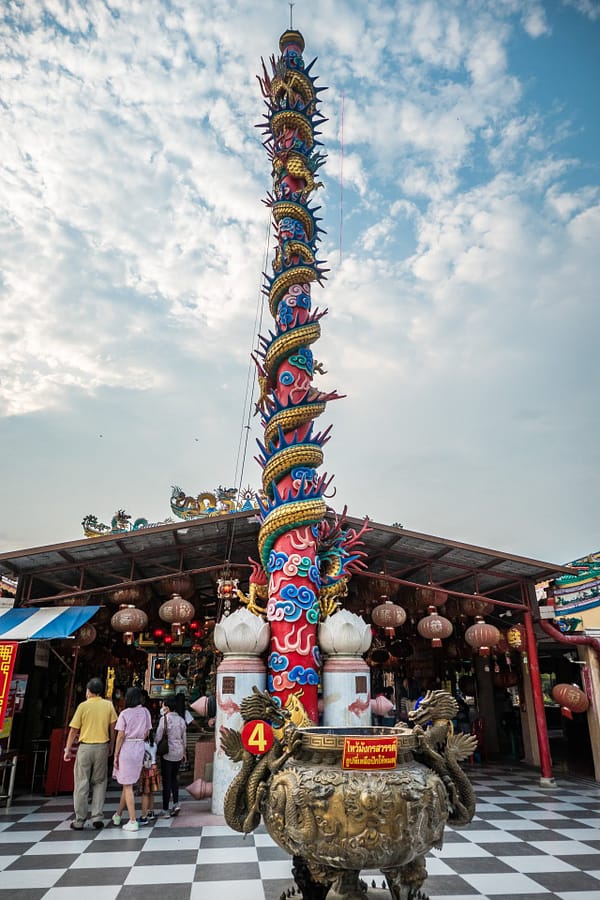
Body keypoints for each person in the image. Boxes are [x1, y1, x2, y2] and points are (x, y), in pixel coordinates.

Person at [64, 677, 118, 830]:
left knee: (81, 782)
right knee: (100, 782)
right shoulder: (108, 705)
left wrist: (68, 749)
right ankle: (97, 817)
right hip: (102, 746)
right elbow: (113, 727)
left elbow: (74, 729)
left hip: (85, 747)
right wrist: (111, 745)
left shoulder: (83, 706)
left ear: (88, 691)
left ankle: (79, 820)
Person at [111, 686, 152, 832]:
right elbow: (147, 731)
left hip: (127, 748)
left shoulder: (124, 714)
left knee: (127, 785)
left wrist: (115, 753)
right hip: (139, 747)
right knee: (126, 783)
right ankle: (118, 814)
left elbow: (120, 735)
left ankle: (133, 820)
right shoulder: (145, 712)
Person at [155, 695, 187, 817]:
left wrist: (156, 749)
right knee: (174, 778)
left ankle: (165, 809)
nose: (162, 707)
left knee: (166, 780)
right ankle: (176, 804)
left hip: (167, 752)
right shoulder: (181, 720)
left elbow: (158, 736)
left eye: (163, 705)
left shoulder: (164, 719)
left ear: (167, 707)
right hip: (178, 752)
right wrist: (184, 752)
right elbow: (184, 738)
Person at [138, 728, 161, 825]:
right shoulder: (154, 744)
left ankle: (144, 816)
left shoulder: (142, 745)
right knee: (151, 792)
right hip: (154, 768)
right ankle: (151, 812)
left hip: (146, 769)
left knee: (145, 793)